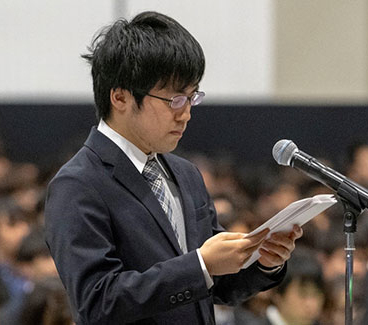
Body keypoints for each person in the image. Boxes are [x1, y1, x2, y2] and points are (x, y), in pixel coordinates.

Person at [45, 11, 302, 324]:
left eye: (192, 98)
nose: (186, 114)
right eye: (175, 100)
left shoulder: (185, 173)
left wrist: (263, 261)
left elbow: (217, 284)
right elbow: (98, 301)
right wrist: (200, 266)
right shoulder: (78, 183)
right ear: (121, 97)